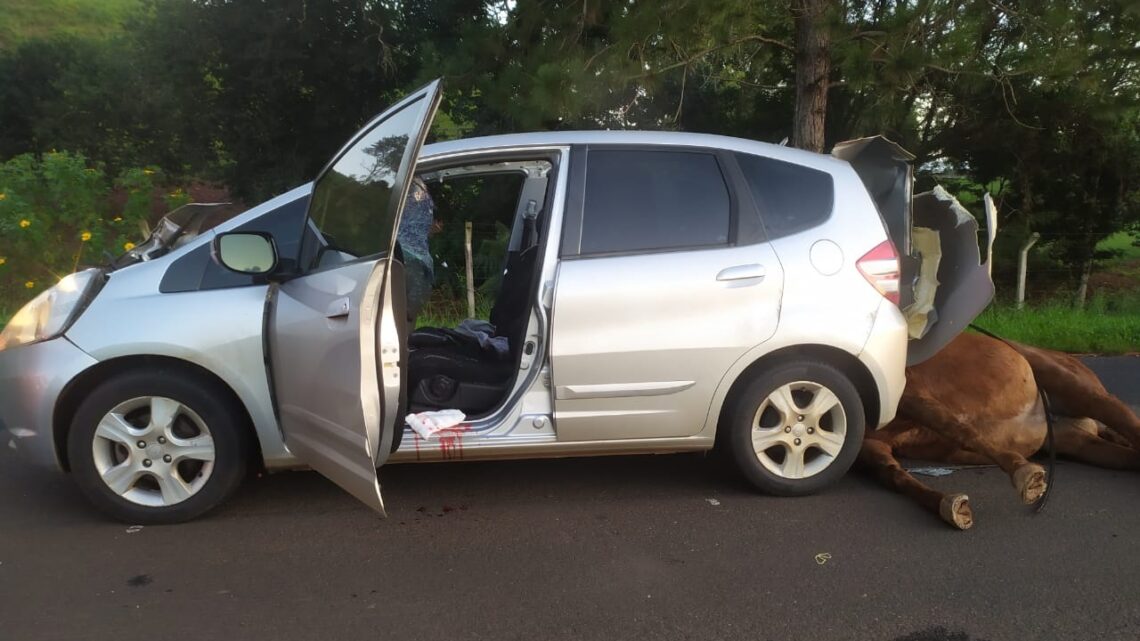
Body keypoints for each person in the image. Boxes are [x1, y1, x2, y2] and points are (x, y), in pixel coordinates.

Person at [398, 176, 436, 322]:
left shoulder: (417, 205)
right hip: (409, 261)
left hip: (412, 258)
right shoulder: (417, 203)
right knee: (406, 316)